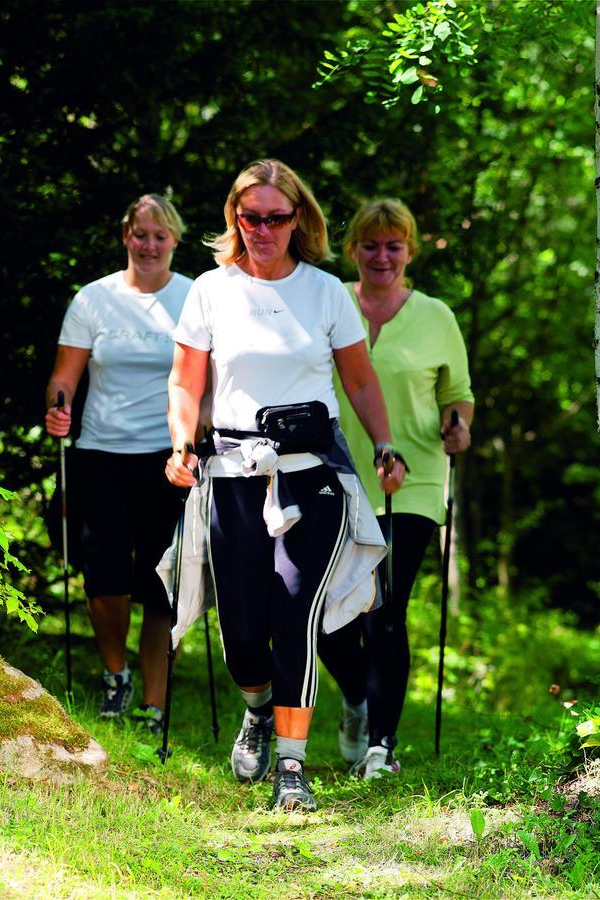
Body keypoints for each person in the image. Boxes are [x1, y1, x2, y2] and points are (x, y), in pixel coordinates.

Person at [164, 159, 406, 813]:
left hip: (311, 478)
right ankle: (258, 709)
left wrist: (384, 443)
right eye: (251, 217)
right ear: (233, 218)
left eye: (276, 217)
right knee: (242, 631)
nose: (263, 228)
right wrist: (182, 440)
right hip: (233, 477)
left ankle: (292, 769)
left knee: (294, 618)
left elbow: (358, 381)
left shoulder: (326, 291)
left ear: (299, 219)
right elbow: (186, 381)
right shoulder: (211, 291)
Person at [319, 198, 474, 779]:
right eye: (370, 245)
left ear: (410, 250)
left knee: (384, 606)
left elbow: (458, 395)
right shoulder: (330, 300)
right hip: (333, 473)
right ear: (353, 248)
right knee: (325, 611)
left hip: (411, 479)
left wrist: (457, 428)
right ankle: (357, 697)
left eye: (394, 246)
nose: (381, 256)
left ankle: (382, 744)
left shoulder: (435, 316)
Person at [43, 194, 192, 735]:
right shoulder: (94, 298)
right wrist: (58, 408)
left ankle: (154, 704)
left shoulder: (194, 297)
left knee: (162, 583)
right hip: (101, 453)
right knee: (103, 580)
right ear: (126, 236)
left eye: (159, 236)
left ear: (174, 239)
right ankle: (116, 675)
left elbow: (208, 374)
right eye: (139, 234)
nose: (149, 245)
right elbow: (65, 375)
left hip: (168, 456)